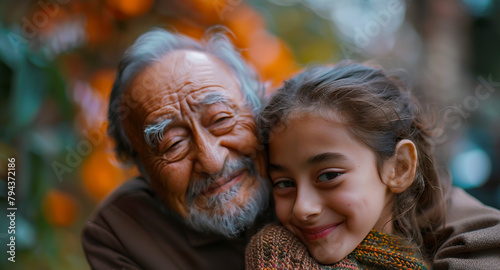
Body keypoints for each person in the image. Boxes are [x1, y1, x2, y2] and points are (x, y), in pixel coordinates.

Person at [81, 28, 500, 270]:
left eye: (222, 119)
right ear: (137, 165)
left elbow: (474, 230)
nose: (211, 160)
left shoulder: (305, 141)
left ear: (257, 108)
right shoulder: (120, 232)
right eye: (171, 143)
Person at [247, 61, 443, 269]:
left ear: (400, 167)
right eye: (284, 183)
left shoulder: (452, 253)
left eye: (328, 176)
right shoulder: (276, 254)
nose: (302, 208)